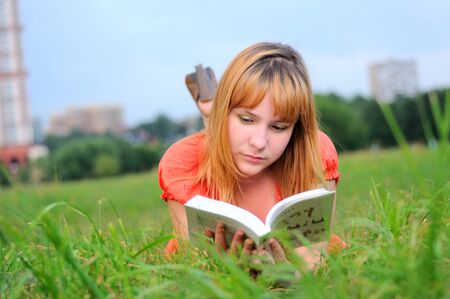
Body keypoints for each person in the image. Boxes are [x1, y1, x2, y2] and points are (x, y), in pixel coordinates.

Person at [159, 42, 344, 271]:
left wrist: (291, 279)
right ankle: (213, 114)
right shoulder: (183, 163)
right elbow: (196, 268)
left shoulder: (313, 151)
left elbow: (313, 264)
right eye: (247, 119)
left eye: (278, 127)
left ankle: (220, 114)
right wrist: (228, 274)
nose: (259, 142)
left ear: (295, 129)